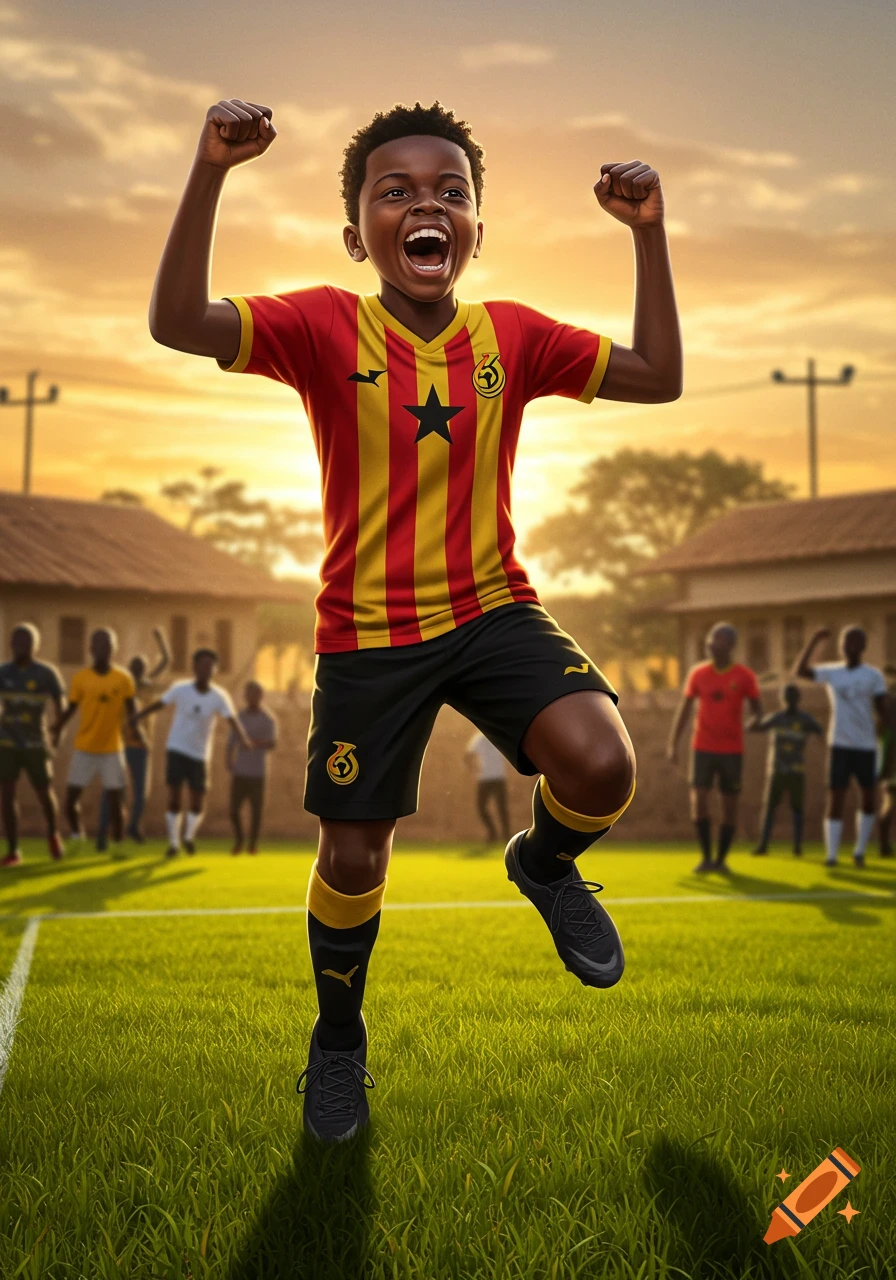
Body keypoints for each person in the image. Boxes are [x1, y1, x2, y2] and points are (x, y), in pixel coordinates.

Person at [150, 97, 681, 1143]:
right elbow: (175, 321)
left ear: (476, 227)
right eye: (394, 191)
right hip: (367, 633)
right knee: (353, 861)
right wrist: (210, 168)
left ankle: (542, 862)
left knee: (603, 766)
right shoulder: (319, 325)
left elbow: (658, 378)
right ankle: (338, 1040)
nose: (424, 204)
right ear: (358, 235)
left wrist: (649, 235)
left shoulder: (513, 338)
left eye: (449, 192)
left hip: (492, 607)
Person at [132, 648, 252, 857]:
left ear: (214, 669)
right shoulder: (180, 689)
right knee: (174, 798)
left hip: (200, 755)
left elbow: (232, 720)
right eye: (203, 664)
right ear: (195, 667)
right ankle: (173, 843)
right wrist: (138, 716)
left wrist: (243, 739)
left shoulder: (219, 696)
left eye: (211, 665)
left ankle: (188, 836)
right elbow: (160, 704)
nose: (207, 669)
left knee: (197, 801)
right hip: (177, 748)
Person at [667, 623, 762, 873]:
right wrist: (673, 743)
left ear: (730, 646)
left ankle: (721, 860)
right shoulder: (698, 674)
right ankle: (706, 857)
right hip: (703, 747)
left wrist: (755, 721)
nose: (712, 645)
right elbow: (685, 709)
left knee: (729, 805)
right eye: (710, 640)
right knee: (698, 801)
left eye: (718, 641)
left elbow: (757, 710)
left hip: (732, 750)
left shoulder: (744, 676)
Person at [793, 626, 888, 868]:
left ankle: (859, 851)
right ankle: (832, 855)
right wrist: (814, 640)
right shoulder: (832, 672)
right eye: (846, 642)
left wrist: (885, 736)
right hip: (840, 746)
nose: (850, 646)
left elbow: (883, 710)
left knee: (868, 799)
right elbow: (800, 671)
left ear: (863, 647)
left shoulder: (873, 676)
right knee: (835, 797)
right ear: (841, 646)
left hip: (866, 747)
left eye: (856, 642)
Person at [53, 628, 143, 858]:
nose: (104, 649)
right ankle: (76, 836)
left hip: (113, 750)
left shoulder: (124, 678)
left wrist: (138, 730)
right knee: (69, 802)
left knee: (116, 803)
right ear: (91, 648)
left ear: (115, 649)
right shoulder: (81, 678)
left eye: (109, 645)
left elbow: (132, 711)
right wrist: (56, 726)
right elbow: (71, 708)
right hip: (84, 748)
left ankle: (118, 845)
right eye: (99, 645)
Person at [96, 627, 170, 849]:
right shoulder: (126, 685)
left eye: (141, 668)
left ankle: (123, 829)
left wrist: (160, 639)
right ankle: (113, 831)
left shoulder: (138, 685)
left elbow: (166, 661)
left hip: (133, 746)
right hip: (128, 745)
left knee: (130, 792)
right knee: (125, 792)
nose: (139, 671)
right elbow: (166, 660)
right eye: (137, 668)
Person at [0, 623, 66, 867]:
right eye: (16, 641)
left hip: (35, 744)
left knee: (44, 793)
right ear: (10, 644)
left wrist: (57, 735)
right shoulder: (3, 672)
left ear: (35, 646)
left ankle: (53, 834)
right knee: (6, 796)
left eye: (26, 642)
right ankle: (13, 850)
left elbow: (61, 706)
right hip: (7, 743)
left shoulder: (46, 673)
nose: (20, 646)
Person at [749, 684, 822, 857]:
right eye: (787, 697)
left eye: (791, 697)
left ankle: (794, 846)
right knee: (772, 808)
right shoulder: (777, 718)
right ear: (782, 700)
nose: (789, 700)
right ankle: (765, 845)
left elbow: (820, 730)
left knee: (794, 809)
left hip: (794, 770)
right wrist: (756, 717)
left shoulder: (804, 719)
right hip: (778, 770)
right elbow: (753, 728)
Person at [226, 680, 278, 854]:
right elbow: (231, 741)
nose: (252, 697)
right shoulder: (239, 717)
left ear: (261, 696)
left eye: (255, 694)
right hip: (240, 771)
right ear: (245, 696)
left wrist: (252, 743)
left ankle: (252, 844)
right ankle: (239, 840)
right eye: (249, 694)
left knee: (256, 812)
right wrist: (228, 759)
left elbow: (272, 743)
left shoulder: (268, 719)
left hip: (258, 773)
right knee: (233, 810)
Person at [464, 730, 511, 844]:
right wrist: (473, 769)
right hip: (485, 778)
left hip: (499, 777)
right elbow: (468, 755)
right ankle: (493, 833)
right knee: (481, 807)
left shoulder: (499, 737)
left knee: (502, 808)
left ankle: (506, 836)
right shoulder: (479, 739)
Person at [878, 673, 896, 857]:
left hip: (890, 770)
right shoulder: (889, 729)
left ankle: (884, 845)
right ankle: (884, 845)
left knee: (889, 805)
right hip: (892, 771)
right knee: (889, 805)